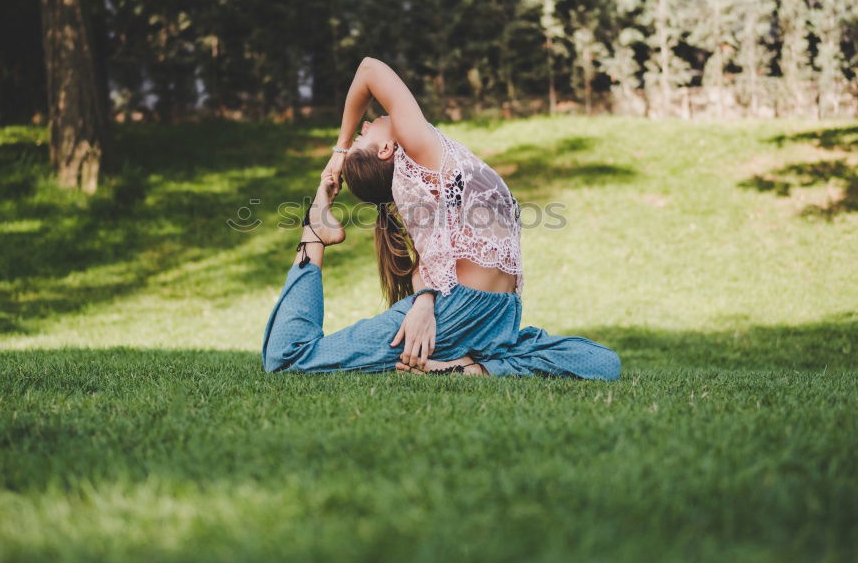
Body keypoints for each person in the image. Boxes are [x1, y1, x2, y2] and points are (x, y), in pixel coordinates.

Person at [261, 57, 620, 378]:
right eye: (362, 136)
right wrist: (340, 150)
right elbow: (370, 69)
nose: (367, 123)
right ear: (387, 150)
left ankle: (470, 368)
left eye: (360, 131)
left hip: (491, 317)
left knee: (604, 362)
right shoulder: (418, 150)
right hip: (459, 314)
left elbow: (436, 250)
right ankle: (314, 232)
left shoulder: (427, 171)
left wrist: (425, 299)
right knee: (288, 358)